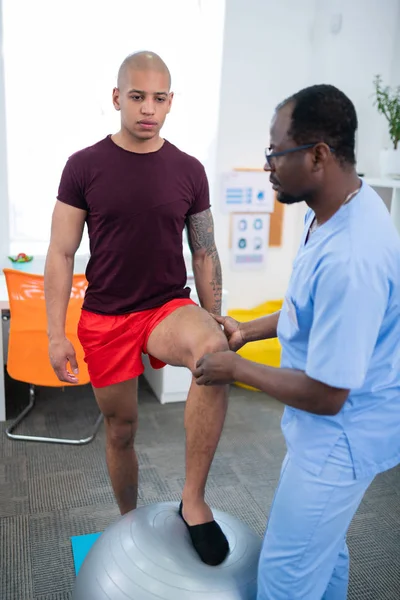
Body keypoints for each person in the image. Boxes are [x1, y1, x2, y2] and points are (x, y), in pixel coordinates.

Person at [194, 84, 400, 598]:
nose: (267, 165)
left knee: (284, 577)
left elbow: (329, 396)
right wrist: (245, 332)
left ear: (317, 156)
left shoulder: (353, 256)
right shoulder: (330, 209)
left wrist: (234, 369)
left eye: (275, 152)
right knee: (323, 555)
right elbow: (304, 309)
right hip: (327, 429)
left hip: (342, 436)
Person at [44, 50, 230, 566]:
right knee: (122, 429)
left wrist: (214, 314)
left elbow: (205, 251)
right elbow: (60, 253)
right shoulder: (83, 166)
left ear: (171, 102)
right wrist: (56, 335)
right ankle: (128, 522)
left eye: (159, 98)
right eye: (137, 96)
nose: (148, 108)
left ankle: (193, 501)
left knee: (214, 354)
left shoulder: (189, 171)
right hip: (105, 316)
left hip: (164, 308)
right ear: (116, 98)